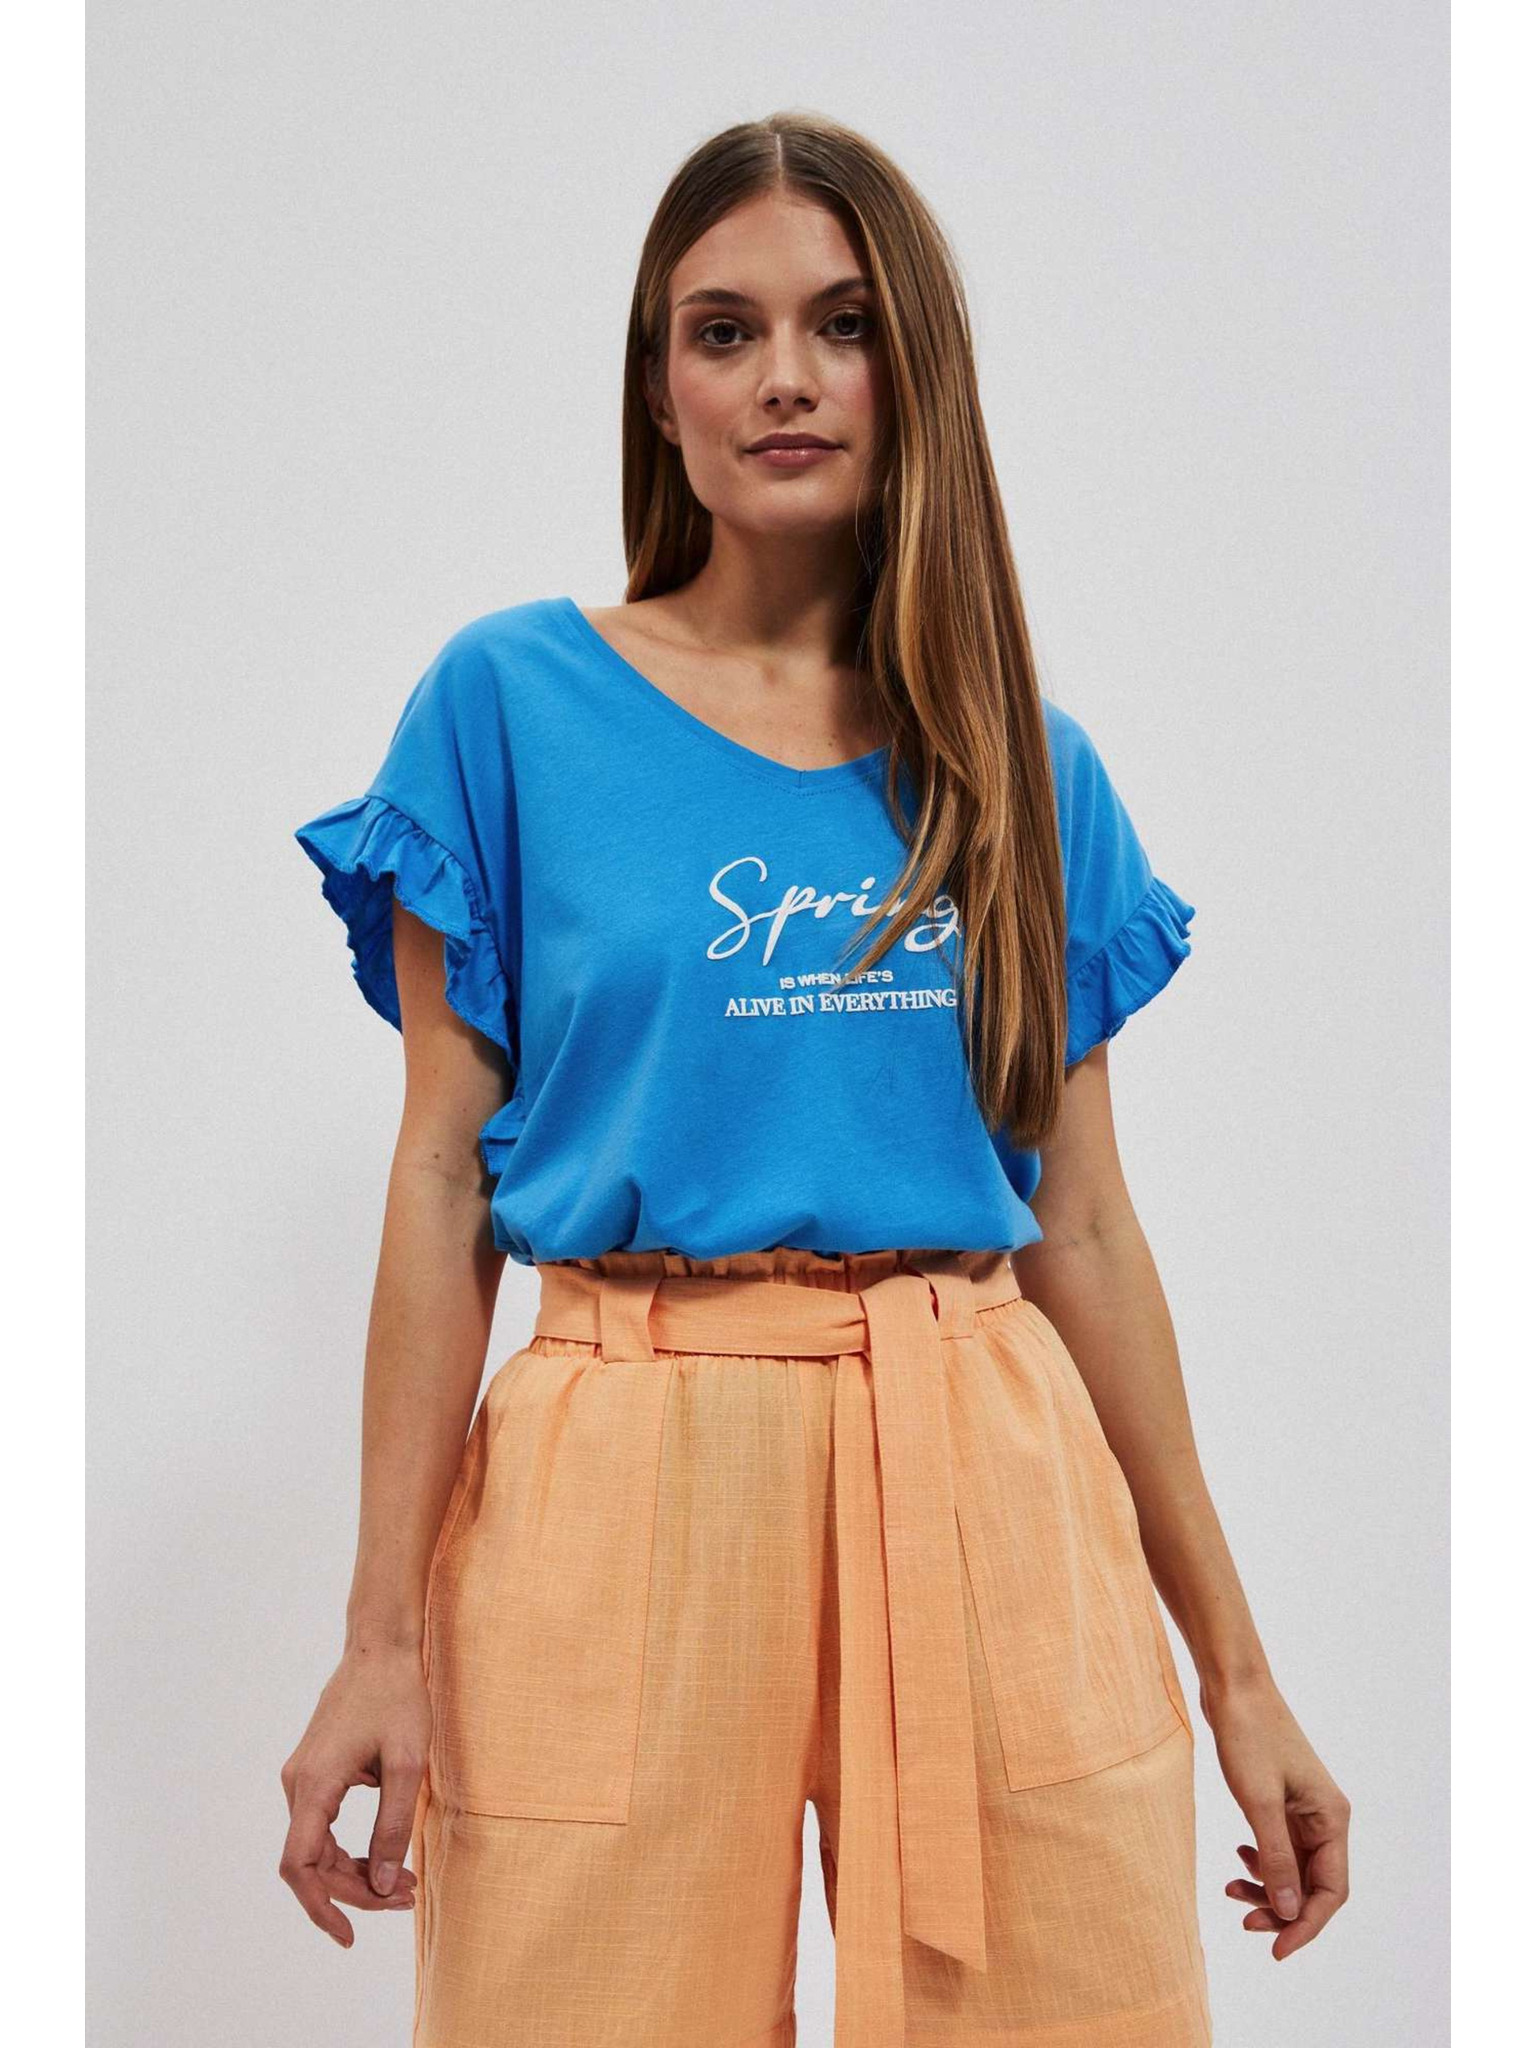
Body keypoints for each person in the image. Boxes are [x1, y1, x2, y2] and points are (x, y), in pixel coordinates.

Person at [279, 112, 1350, 2048]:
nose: (786, 375)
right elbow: (441, 1182)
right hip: (622, 1464)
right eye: (725, 330)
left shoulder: (1021, 761)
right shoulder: (509, 704)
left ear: (911, 368)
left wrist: (1243, 1675)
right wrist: (377, 1638)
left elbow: (1087, 1222)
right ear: (659, 388)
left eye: (842, 325)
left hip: (979, 1456)